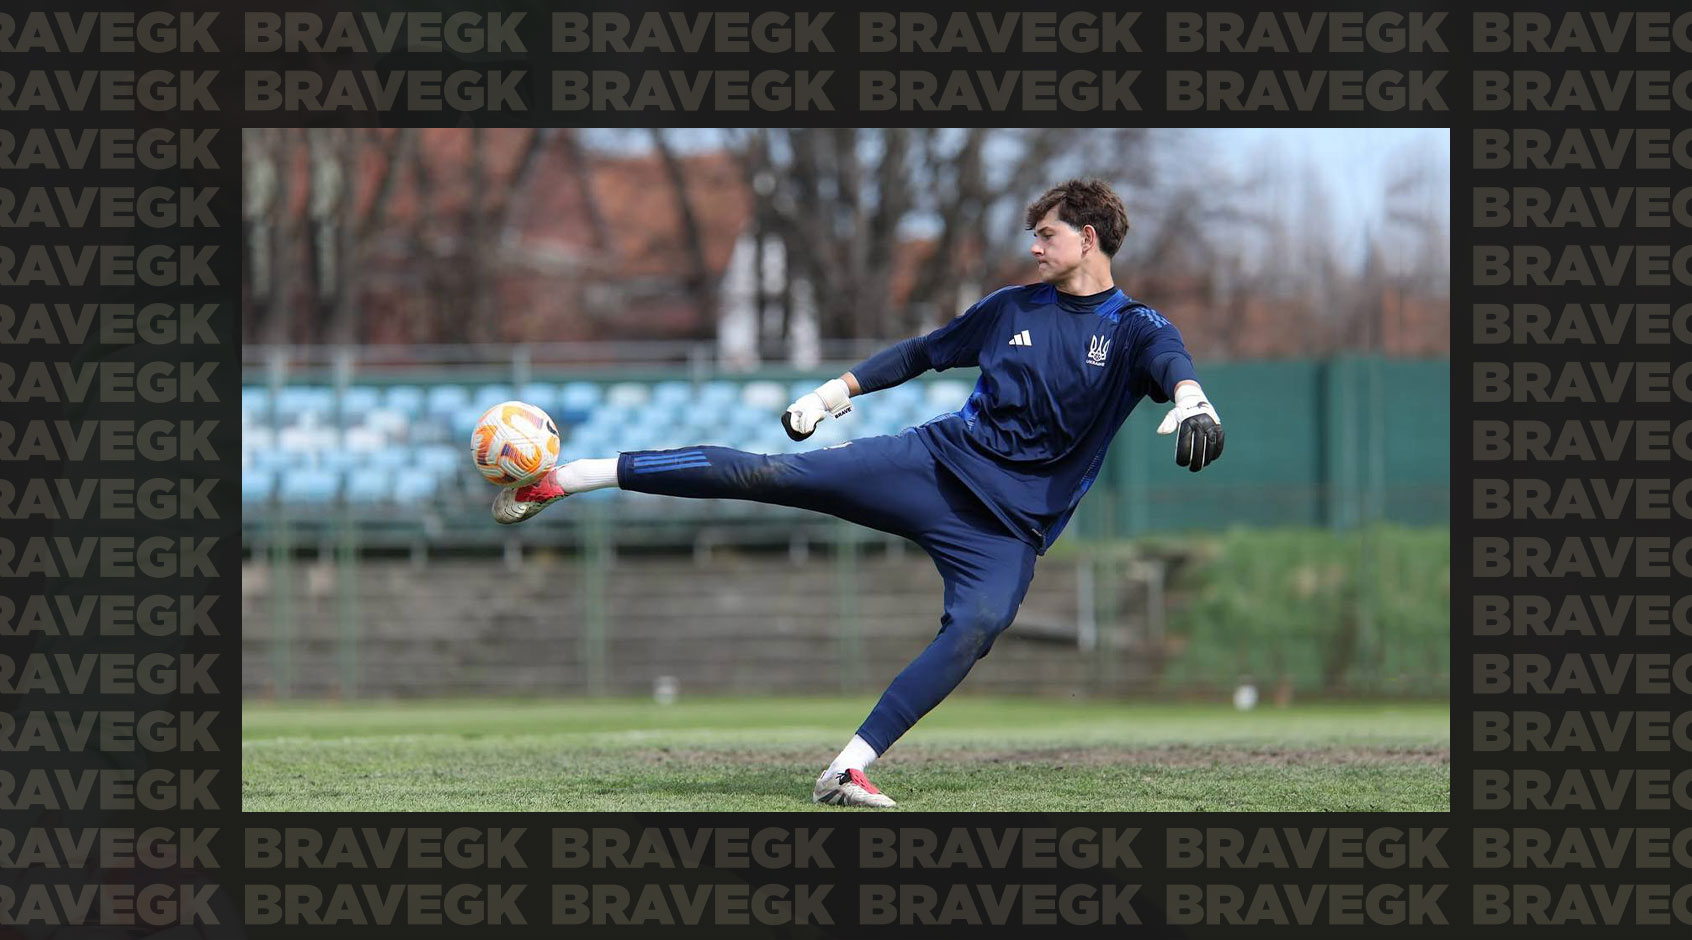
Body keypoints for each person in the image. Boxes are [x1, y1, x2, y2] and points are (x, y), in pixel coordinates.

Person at [492, 179, 1224, 808]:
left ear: (1087, 238)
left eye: (1046, 233)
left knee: (978, 625)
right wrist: (833, 392)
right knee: (769, 474)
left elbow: (1170, 362)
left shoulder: (1134, 328)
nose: (1034, 246)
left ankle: (848, 767)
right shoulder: (1011, 308)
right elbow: (921, 353)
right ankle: (570, 477)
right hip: (935, 466)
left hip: (1008, 529)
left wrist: (1191, 399)